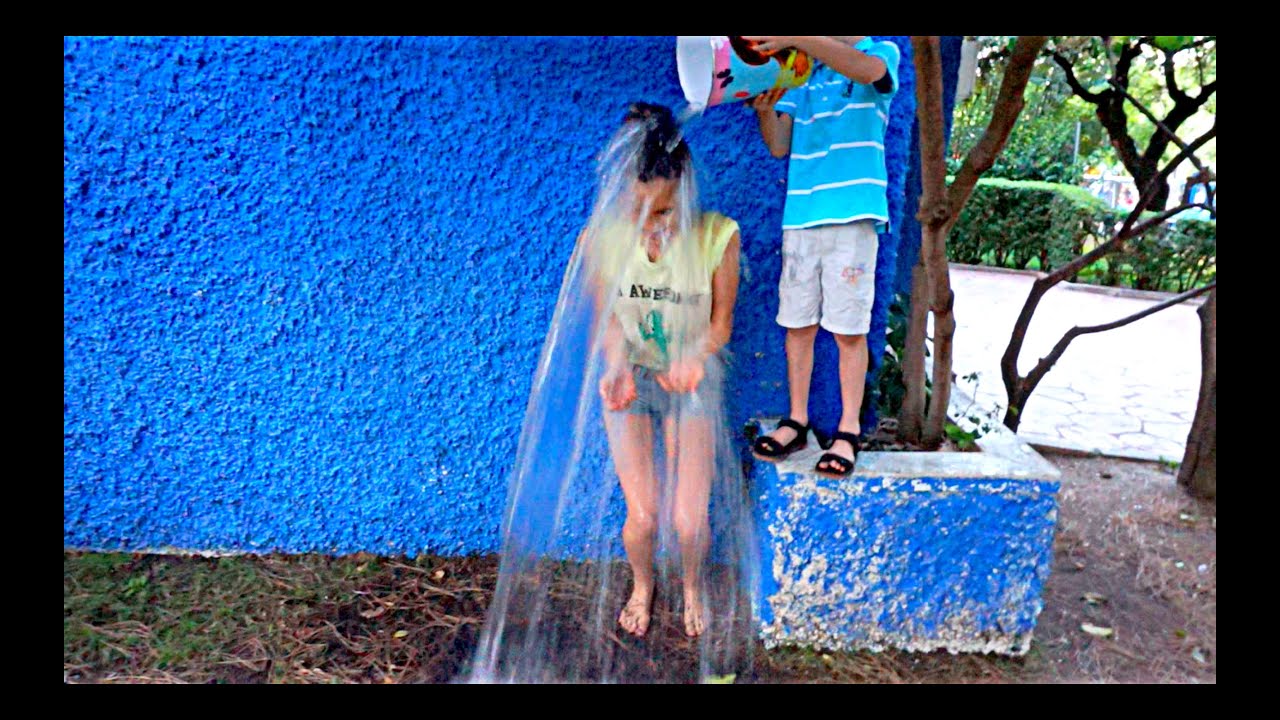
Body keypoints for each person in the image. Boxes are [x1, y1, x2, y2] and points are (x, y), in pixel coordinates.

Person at [590, 102, 742, 638]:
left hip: (692, 380)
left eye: (665, 211)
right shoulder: (603, 240)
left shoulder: (717, 236)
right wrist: (615, 364)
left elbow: (721, 325)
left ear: (685, 191)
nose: (655, 226)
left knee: (687, 521)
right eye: (643, 213)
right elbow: (607, 320)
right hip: (632, 379)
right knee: (644, 518)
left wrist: (693, 355)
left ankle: (693, 584)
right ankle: (642, 584)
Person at [746, 36, 901, 478]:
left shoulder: (881, 52)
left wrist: (798, 39)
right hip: (801, 216)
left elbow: (869, 73)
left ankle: (847, 431)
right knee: (797, 325)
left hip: (853, 218)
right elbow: (779, 145)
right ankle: (797, 420)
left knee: (849, 329)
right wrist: (764, 109)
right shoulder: (802, 70)